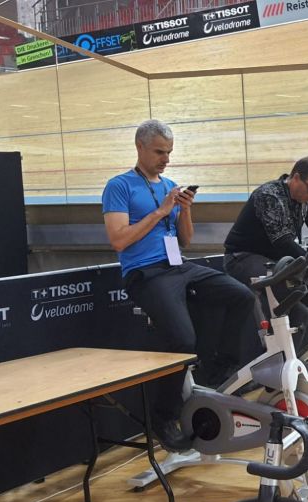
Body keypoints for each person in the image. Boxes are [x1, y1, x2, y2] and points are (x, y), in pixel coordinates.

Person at [102, 119, 254, 451]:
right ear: (140, 147)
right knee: (183, 339)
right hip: (145, 273)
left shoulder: (169, 185)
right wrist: (161, 211)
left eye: (169, 152)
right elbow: (118, 240)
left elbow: (185, 239)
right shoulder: (119, 186)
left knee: (241, 295)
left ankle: (218, 370)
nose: (166, 159)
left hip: (178, 266)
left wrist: (184, 210)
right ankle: (164, 416)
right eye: (159, 152)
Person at [223, 156, 308, 348]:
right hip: (242, 258)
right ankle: (272, 354)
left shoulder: (306, 198)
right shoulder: (269, 195)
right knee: (296, 299)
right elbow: (282, 241)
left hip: (275, 260)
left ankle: (287, 359)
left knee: (301, 313)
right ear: (296, 178)